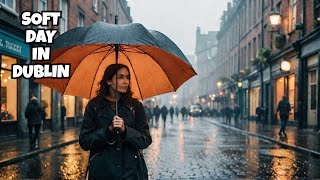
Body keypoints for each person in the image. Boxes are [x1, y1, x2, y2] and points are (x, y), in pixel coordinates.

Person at [79, 64, 152, 179]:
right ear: (108, 81)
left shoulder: (135, 106)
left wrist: (125, 131)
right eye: (120, 77)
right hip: (102, 173)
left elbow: (146, 140)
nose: (126, 81)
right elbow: (84, 141)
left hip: (131, 173)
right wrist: (108, 130)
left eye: (127, 77)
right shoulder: (94, 106)